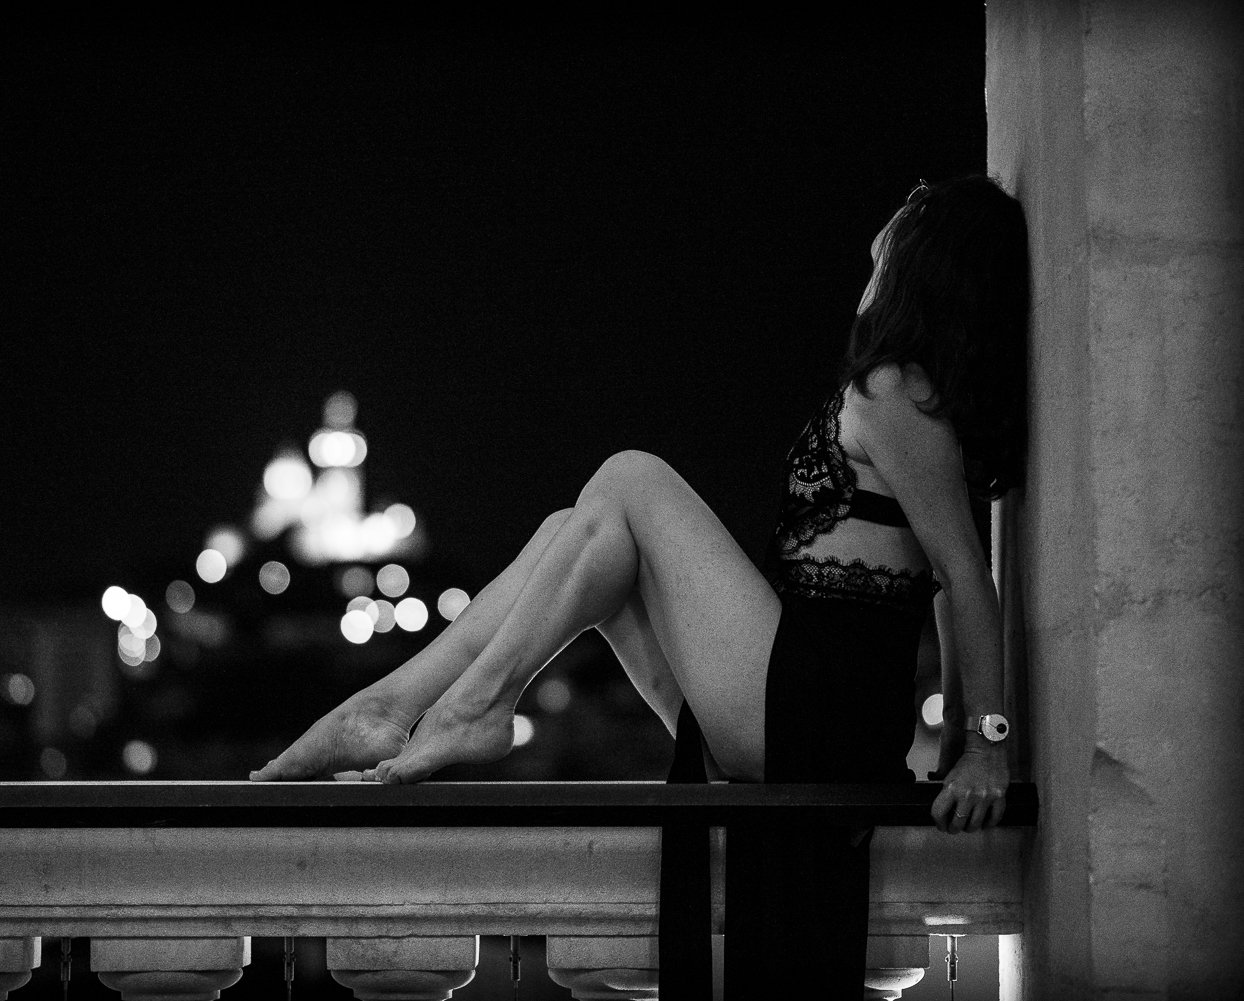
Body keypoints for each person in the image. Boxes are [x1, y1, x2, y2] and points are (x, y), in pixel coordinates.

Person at [250, 173, 1029, 841]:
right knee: (569, 534)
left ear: (926, 256)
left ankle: (475, 706)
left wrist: (986, 744)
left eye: (913, 210)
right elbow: (945, 584)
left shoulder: (896, 390)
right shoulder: (907, 393)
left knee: (632, 477)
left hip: (814, 721)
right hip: (800, 711)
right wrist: (955, 743)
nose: (890, 220)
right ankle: (390, 707)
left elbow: (964, 572)